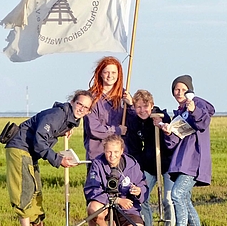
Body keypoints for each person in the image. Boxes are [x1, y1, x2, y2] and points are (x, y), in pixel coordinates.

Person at [4, 90, 93, 226]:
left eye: (86, 107)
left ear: (88, 111)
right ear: (72, 102)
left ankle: (37, 222)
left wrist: (65, 130)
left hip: (30, 152)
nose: (81, 109)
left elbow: (52, 130)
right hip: (20, 148)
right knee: (24, 191)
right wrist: (58, 159)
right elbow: (39, 141)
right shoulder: (57, 115)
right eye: (79, 104)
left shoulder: (70, 120)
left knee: (35, 189)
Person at [160, 75, 215, 226]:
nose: (179, 93)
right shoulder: (178, 114)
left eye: (183, 90)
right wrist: (167, 132)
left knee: (177, 194)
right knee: (184, 198)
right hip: (182, 161)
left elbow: (204, 121)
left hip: (195, 159)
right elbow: (172, 144)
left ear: (190, 91)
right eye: (176, 90)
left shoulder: (197, 104)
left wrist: (194, 110)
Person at [126, 89, 175, 226]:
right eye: (138, 107)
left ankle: (169, 224)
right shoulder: (135, 122)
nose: (142, 110)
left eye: (145, 106)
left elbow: (166, 118)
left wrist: (161, 121)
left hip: (168, 165)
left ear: (152, 105)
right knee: (141, 197)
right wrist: (139, 167)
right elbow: (134, 148)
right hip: (148, 165)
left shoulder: (158, 115)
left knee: (168, 200)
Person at [84, 134, 148, 226]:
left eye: (116, 152)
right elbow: (92, 190)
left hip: (127, 209)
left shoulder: (132, 165)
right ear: (104, 150)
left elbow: (143, 187)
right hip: (105, 204)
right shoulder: (97, 164)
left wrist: (139, 191)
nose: (112, 155)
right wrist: (115, 200)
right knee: (93, 208)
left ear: (122, 151)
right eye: (109, 152)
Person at [83, 56, 133, 163]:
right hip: (97, 154)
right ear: (100, 73)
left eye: (114, 73)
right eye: (106, 72)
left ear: (119, 75)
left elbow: (134, 123)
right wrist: (117, 130)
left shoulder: (124, 96)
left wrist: (131, 105)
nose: (110, 76)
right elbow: (93, 129)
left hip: (119, 154)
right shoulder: (91, 97)